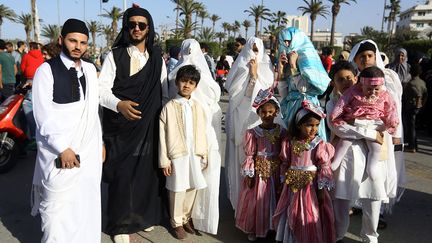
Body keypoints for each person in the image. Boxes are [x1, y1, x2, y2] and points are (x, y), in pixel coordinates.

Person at [98, 4, 168, 242]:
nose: (136, 29)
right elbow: (101, 90)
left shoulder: (157, 57)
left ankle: (141, 217)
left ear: (149, 29)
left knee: (145, 174)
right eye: (132, 24)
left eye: (142, 25)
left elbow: (164, 90)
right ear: (126, 27)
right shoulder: (115, 55)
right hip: (120, 127)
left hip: (149, 126)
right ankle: (120, 226)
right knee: (123, 175)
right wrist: (119, 105)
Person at [30, 18, 103, 242]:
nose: (78, 46)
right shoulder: (46, 70)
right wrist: (63, 148)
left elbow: (93, 112)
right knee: (56, 212)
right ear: (61, 40)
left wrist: (100, 143)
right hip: (58, 153)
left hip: (88, 152)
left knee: (86, 205)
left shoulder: (90, 70)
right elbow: (43, 116)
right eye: (73, 41)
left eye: (83, 42)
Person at [168, 38, 221, 235]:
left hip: (200, 135)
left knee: (196, 180)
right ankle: (176, 221)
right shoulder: (174, 77)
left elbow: (214, 96)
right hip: (178, 138)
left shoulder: (202, 80)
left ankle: (188, 217)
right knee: (178, 182)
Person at [273, 100, 335, 243]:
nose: (313, 129)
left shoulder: (319, 144)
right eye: (309, 125)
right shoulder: (289, 142)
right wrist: (282, 181)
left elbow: (324, 168)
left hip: (310, 186)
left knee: (309, 212)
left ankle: (308, 237)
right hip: (291, 185)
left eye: (316, 125)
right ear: (299, 125)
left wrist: (321, 190)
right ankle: (289, 238)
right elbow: (285, 163)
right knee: (291, 210)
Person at [224, 36, 275, 210]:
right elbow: (234, 93)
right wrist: (250, 76)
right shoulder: (240, 67)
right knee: (243, 162)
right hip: (242, 121)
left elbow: (267, 93)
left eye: (257, 49)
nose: (254, 53)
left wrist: (255, 76)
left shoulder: (266, 70)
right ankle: (243, 206)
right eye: (251, 49)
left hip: (260, 120)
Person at [159, 64, 208, 240]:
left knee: (192, 187)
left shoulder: (197, 106)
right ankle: (176, 222)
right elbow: (162, 136)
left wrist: (204, 153)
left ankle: (187, 217)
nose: (187, 85)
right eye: (183, 81)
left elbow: (202, 131)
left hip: (194, 154)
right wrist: (164, 160)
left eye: (191, 82)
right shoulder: (169, 107)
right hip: (176, 155)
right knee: (177, 189)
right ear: (177, 83)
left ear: (195, 86)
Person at [330, 66, 399, 181]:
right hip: (355, 124)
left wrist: (391, 123)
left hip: (374, 123)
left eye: (376, 89)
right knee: (345, 141)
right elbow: (342, 104)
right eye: (369, 89)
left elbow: (391, 109)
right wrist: (336, 115)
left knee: (376, 148)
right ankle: (336, 161)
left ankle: (371, 167)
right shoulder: (351, 93)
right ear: (361, 85)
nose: (372, 92)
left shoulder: (384, 95)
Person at [235, 90, 285, 242]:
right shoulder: (253, 133)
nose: (267, 115)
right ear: (259, 113)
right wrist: (250, 174)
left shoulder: (282, 132)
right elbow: (250, 155)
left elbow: (285, 154)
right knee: (258, 200)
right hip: (260, 172)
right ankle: (256, 228)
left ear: (276, 112)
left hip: (276, 171)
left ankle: (272, 228)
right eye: (263, 112)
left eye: (271, 112)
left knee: (275, 199)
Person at [277, 27, 330, 140]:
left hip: (307, 109)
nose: (287, 44)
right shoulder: (286, 57)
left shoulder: (307, 57)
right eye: (284, 41)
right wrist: (281, 70)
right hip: (290, 110)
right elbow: (284, 94)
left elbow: (304, 89)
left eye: (289, 41)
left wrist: (293, 66)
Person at [20, 41, 44, 144]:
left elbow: (22, 68)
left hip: (30, 80)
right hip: (41, 79)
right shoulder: (42, 56)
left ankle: (33, 136)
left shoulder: (26, 56)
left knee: (27, 103)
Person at [402, 64, 428, 152]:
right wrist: (422, 105)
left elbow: (418, 94)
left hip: (411, 107)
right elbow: (425, 94)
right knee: (413, 127)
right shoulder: (422, 82)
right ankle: (414, 145)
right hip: (418, 108)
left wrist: (417, 104)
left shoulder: (411, 83)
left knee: (411, 127)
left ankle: (411, 146)